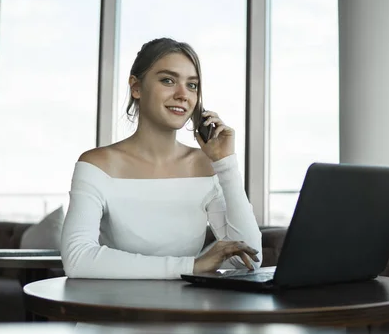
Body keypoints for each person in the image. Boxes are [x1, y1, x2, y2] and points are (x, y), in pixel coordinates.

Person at [60, 37, 262, 279]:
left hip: (185, 312)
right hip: (114, 310)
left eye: (192, 85)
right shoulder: (97, 165)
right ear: (136, 87)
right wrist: (192, 266)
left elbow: (249, 260)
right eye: (168, 80)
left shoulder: (205, 166)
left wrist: (226, 164)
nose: (182, 95)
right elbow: (77, 259)